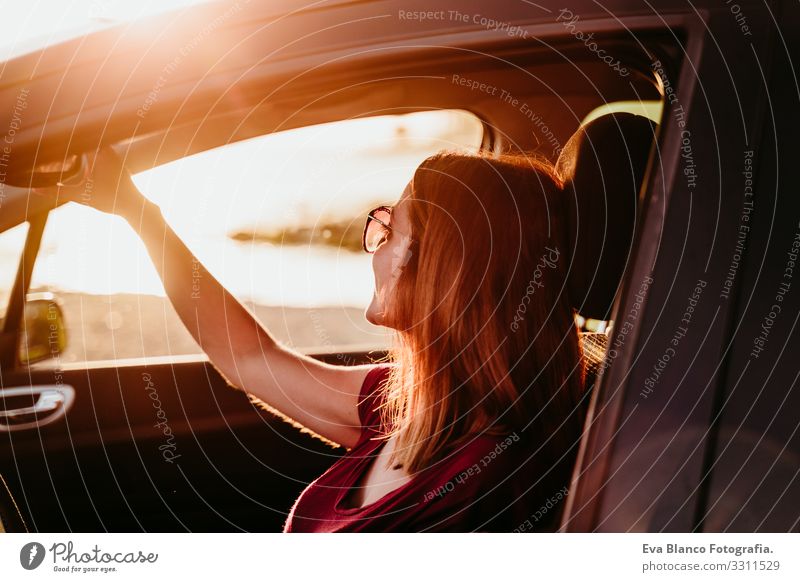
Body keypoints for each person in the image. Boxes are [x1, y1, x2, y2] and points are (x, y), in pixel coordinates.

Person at [38, 146, 586, 532]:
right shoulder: (403, 408)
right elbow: (250, 357)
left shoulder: (482, 489)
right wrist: (140, 214)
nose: (375, 246)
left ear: (443, 267)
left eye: (391, 229)